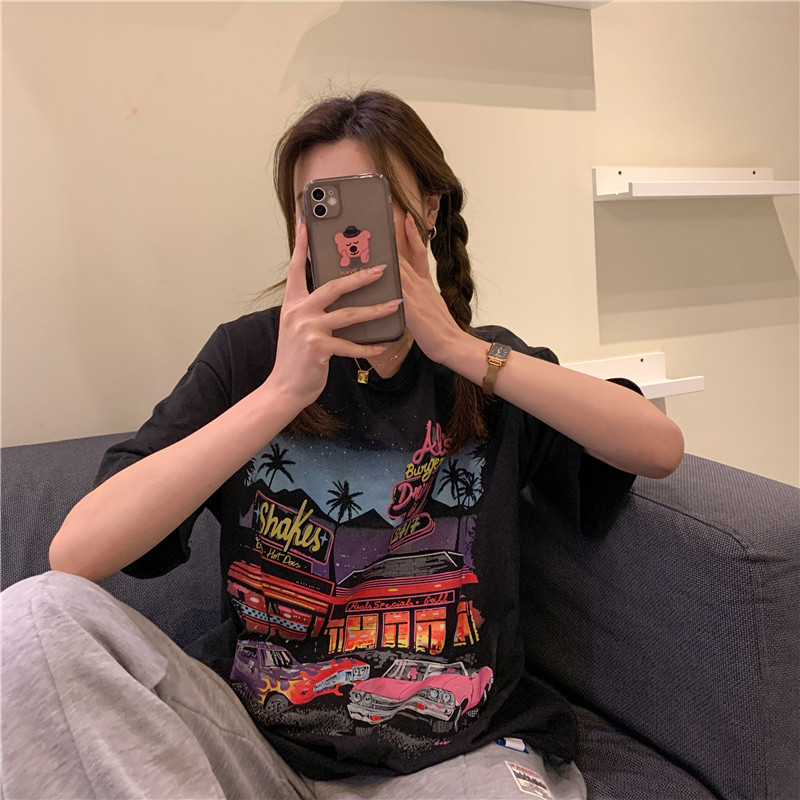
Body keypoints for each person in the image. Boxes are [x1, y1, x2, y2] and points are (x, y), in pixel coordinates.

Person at [1, 90, 684, 800]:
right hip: (255, 754)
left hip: (453, 763)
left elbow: (657, 446)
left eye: (368, 200)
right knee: (30, 619)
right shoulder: (249, 358)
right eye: (320, 207)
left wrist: (458, 347)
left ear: (429, 209)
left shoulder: (486, 369)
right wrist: (280, 393)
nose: (350, 237)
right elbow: (74, 556)